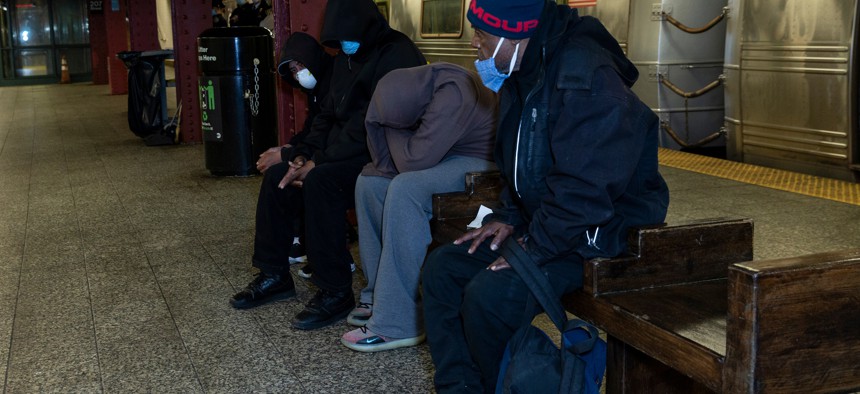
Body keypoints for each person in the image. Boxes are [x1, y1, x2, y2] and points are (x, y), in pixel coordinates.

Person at [421, 0, 670, 392]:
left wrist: (534, 246)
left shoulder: (587, 76)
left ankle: (499, 386)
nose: (474, 45)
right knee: (445, 269)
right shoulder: (524, 67)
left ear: (512, 34)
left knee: (490, 296)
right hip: (551, 223)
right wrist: (509, 217)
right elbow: (522, 165)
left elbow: (587, 191)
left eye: (482, 35)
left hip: (600, 235)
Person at [230, 0, 426, 333]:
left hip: (385, 153)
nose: (343, 45)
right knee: (280, 174)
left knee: (322, 182)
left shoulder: (397, 54)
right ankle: (274, 273)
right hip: (343, 150)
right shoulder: (346, 59)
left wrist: (319, 161)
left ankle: (335, 290)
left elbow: (373, 121)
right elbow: (327, 116)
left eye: (347, 37)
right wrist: (302, 155)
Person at [340, 63, 497, 352]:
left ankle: (398, 323)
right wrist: (393, 129)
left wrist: (392, 129)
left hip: (481, 163)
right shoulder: (422, 88)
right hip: (447, 155)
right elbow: (398, 159)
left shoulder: (454, 90)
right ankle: (382, 297)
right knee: (369, 182)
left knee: (406, 189)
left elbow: (413, 163)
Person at [252, 32, 334, 272]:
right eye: (294, 70)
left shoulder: (335, 82)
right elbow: (313, 128)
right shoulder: (317, 89)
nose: (299, 74)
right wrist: (288, 149)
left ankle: (326, 252)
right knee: (281, 174)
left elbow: (331, 131)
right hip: (325, 150)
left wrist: (290, 155)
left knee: (299, 176)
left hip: (340, 156)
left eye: (300, 65)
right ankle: (275, 264)